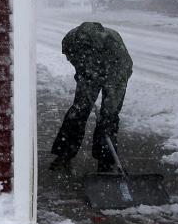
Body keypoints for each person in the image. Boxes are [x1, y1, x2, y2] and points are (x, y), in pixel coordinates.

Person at [48, 21, 133, 172]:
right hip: (88, 74)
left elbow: (119, 75)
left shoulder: (113, 46)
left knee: (108, 117)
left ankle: (106, 161)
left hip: (116, 73)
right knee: (78, 111)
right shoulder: (71, 40)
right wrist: (82, 72)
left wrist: (109, 108)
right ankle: (64, 154)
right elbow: (73, 59)